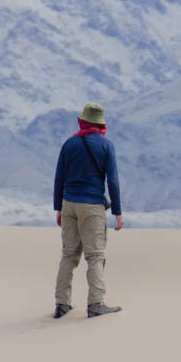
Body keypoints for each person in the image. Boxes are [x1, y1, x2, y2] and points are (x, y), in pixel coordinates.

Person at [54, 102, 123, 318]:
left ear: (82, 121)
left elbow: (59, 179)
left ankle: (62, 304)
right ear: (101, 124)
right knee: (95, 256)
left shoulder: (69, 144)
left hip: (69, 204)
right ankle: (95, 303)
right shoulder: (105, 145)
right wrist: (117, 212)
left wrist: (58, 208)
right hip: (92, 206)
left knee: (68, 255)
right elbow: (112, 180)